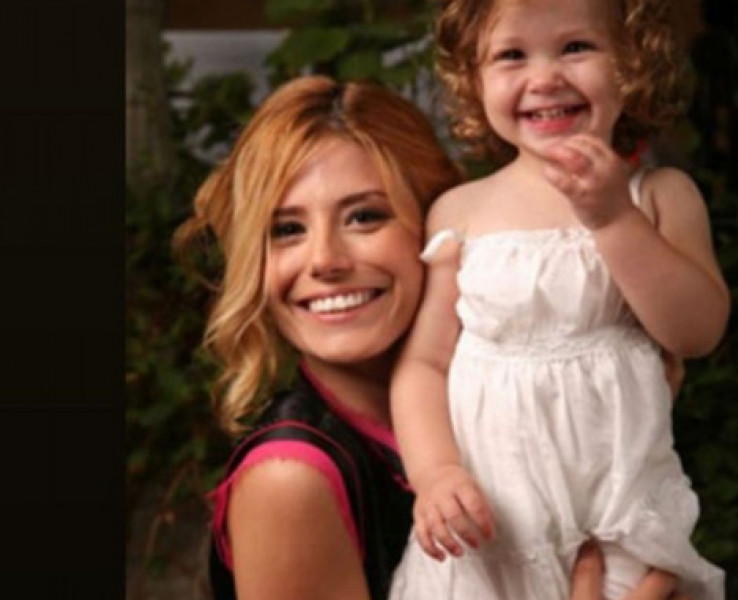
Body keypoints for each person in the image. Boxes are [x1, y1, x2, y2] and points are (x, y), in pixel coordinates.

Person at [173, 75, 691, 600]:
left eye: (364, 217)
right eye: (286, 230)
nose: (325, 260)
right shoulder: (291, 477)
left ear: (439, 220)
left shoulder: (514, 402)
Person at [388, 1, 730, 599]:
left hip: (619, 519)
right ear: (473, 79)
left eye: (575, 47)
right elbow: (424, 364)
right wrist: (436, 472)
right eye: (511, 55)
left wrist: (614, 219)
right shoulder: (462, 210)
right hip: (488, 529)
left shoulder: (657, 196)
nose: (544, 77)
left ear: (631, 63)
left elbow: (696, 332)